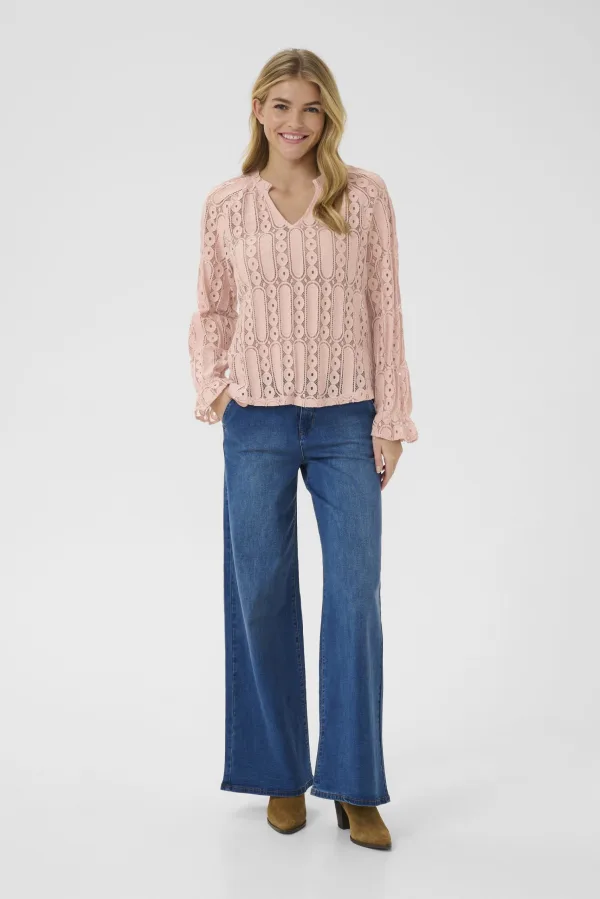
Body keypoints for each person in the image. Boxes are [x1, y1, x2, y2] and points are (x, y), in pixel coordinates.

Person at [188, 48, 418, 852]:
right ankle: (280, 770)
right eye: (281, 105)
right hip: (255, 420)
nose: (296, 121)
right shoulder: (227, 204)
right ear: (258, 110)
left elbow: (386, 307)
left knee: (354, 595)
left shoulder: (365, 195)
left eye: (311, 107)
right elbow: (212, 309)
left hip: (347, 419)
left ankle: (354, 782)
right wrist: (218, 388)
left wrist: (391, 417)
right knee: (259, 593)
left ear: (329, 115)